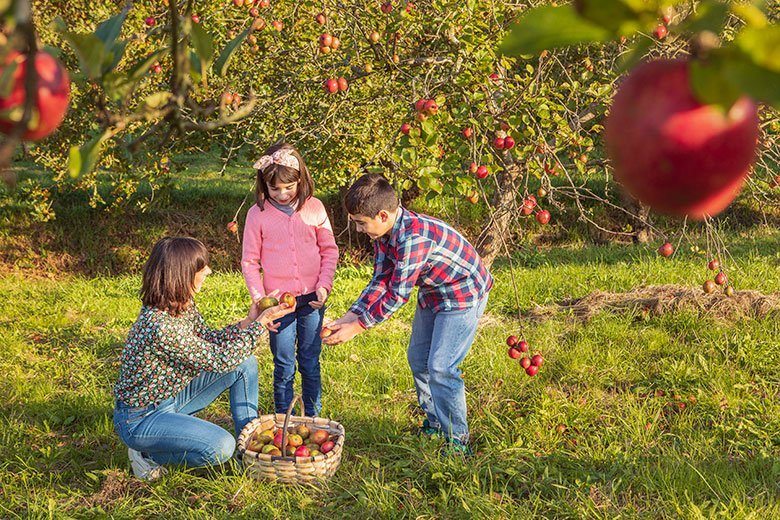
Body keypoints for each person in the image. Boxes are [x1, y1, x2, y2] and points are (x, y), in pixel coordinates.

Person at [323, 174, 492, 454]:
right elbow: (381, 279)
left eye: (362, 223)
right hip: (434, 292)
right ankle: (436, 423)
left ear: (383, 214)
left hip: (463, 294)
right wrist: (350, 316)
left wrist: (359, 327)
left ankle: (457, 438)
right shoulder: (385, 233)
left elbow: (398, 293)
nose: (360, 229)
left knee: (441, 366)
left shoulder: (413, 237)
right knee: (418, 359)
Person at [113, 236, 294, 481]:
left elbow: (209, 338)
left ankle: (249, 451)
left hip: (170, 399)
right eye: (201, 267)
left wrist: (249, 321)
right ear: (182, 273)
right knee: (220, 447)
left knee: (245, 364)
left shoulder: (180, 305)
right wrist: (259, 327)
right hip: (141, 418)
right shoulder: (159, 326)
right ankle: (148, 454)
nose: (208, 270)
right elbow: (220, 360)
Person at [241, 143, 338, 417]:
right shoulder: (256, 215)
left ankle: (312, 416)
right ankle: (283, 417)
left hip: (312, 299)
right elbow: (250, 261)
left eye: (289, 187)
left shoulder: (314, 208)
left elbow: (329, 250)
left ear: (300, 179)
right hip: (278, 304)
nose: (282, 194)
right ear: (264, 185)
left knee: (309, 360)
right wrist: (261, 302)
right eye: (275, 189)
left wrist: (324, 285)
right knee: (283, 363)